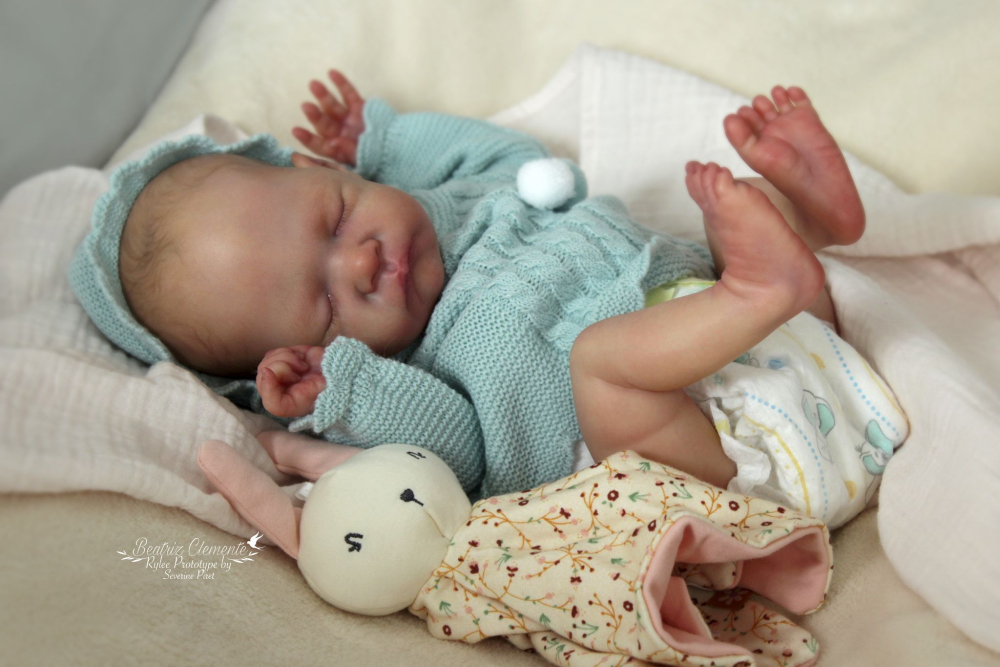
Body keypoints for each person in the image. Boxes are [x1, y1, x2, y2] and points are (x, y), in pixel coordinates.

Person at [69, 71, 906, 523]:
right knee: (601, 363)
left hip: (795, 357)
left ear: (325, 171)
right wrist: (350, 390)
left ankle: (816, 226)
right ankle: (765, 282)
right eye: (325, 304)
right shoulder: (402, 369)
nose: (360, 260)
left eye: (337, 216)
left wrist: (389, 140)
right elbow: (455, 457)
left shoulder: (462, 198)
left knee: (735, 215)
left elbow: (505, 154)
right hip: (710, 466)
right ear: (301, 357)